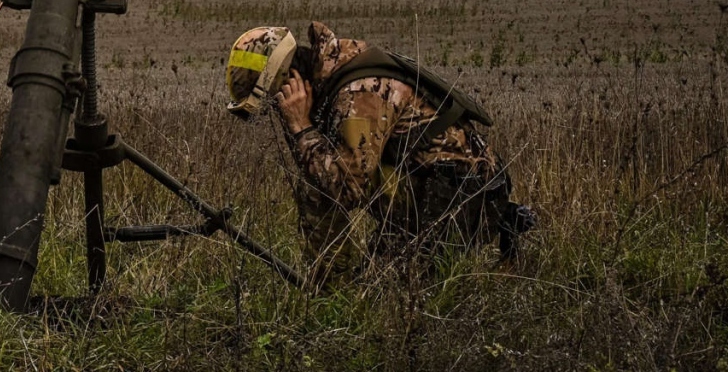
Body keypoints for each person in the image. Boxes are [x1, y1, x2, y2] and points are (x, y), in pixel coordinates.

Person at [226, 22, 533, 280]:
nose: (275, 111)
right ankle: (334, 287)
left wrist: (302, 128)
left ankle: (336, 290)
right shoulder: (333, 77)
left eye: (272, 102)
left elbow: (347, 189)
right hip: (429, 194)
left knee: (382, 300)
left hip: (458, 202)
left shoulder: (359, 94)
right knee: (317, 178)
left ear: (290, 81)